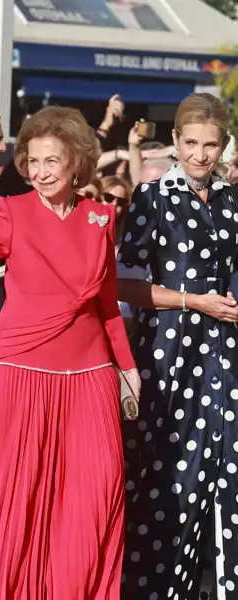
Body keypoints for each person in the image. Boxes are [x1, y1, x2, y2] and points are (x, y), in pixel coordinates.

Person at [0, 106, 139, 600]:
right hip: (21, 372)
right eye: (32, 161)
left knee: (94, 495)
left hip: (90, 375)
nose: (39, 171)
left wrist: (127, 366)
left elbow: (104, 303)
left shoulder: (99, 216)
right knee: (16, 496)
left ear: (76, 162)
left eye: (51, 160)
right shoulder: (10, 212)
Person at [118, 92, 238, 599]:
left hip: (227, 353)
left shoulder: (233, 200)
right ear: (175, 141)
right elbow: (123, 284)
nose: (200, 155)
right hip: (171, 353)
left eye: (210, 145)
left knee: (228, 474)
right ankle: (154, 588)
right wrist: (195, 301)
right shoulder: (153, 197)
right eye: (191, 143)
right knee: (170, 474)